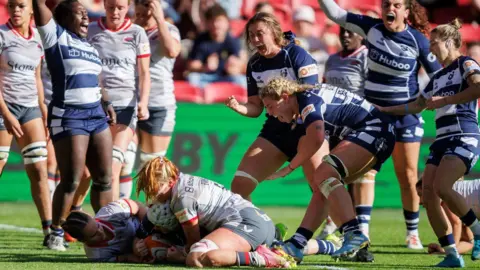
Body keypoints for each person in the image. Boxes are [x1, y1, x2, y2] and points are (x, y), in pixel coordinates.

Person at [318, 0, 443, 249]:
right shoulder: (371, 28)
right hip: (373, 115)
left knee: (407, 176)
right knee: (365, 172)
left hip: (405, 117)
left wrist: (425, 100)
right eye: (387, 3)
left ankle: (412, 233)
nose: (391, 9)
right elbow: (335, 13)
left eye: (397, 4)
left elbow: (438, 75)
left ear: (406, 11)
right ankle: (362, 231)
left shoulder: (418, 40)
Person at [376, 19, 480, 267]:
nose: (430, 49)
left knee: (443, 186)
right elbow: (416, 105)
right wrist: (383, 109)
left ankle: (477, 232)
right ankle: (452, 255)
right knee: (428, 196)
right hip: (442, 140)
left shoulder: (466, 63)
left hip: (463, 135)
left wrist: (444, 101)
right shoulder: (438, 77)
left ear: (447, 42)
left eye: (433, 43)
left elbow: (478, 88)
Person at [259, 77, 395, 262]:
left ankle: (354, 234)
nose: (269, 113)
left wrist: (289, 168)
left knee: (323, 174)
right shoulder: (303, 103)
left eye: (270, 106)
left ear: (285, 97)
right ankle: (297, 244)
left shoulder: (307, 100)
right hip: (375, 131)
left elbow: (317, 137)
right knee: (322, 184)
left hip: (374, 129)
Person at [33, 0, 115, 251]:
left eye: (86, 15)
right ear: (64, 17)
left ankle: (108, 230)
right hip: (69, 116)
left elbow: (95, 80)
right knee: (71, 179)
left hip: (96, 115)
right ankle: (55, 233)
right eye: (79, 14)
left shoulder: (88, 46)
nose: (85, 18)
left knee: (104, 179)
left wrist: (106, 101)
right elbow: (39, 6)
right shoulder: (55, 37)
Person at [225, 12, 329, 212]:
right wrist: (239, 107)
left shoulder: (297, 54)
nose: (255, 40)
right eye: (251, 35)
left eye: (260, 34)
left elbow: (310, 94)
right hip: (277, 128)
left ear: (274, 32)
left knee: (323, 185)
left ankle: (334, 231)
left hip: (306, 123)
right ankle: (260, 230)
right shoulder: (255, 64)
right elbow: (256, 107)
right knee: (239, 186)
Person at [135, 156, 295, 268]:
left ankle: (260, 258)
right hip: (259, 221)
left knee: (196, 257)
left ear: (170, 182)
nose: (153, 197)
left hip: (246, 224)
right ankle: (280, 243)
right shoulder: (182, 181)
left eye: (155, 190)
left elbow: (192, 246)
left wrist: (179, 255)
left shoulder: (182, 199)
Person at [0, 0, 52, 246]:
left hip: (30, 109)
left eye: (21, 6)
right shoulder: (1, 34)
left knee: (40, 171)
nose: (15, 10)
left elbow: (37, 78)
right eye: (11, 6)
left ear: (32, 8)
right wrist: (7, 115)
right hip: (3, 109)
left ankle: (50, 232)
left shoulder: (38, 39)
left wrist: (43, 110)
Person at [88, 0, 151, 200]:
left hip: (126, 105)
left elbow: (144, 72)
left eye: (120, 8)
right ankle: (75, 212)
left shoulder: (137, 33)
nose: (115, 12)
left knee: (113, 168)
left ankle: (111, 223)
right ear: (104, 5)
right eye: (111, 7)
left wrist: (143, 102)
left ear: (128, 7)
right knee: (86, 173)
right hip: (95, 105)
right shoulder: (91, 30)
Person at [318, 26, 373, 240]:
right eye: (342, 31)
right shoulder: (332, 59)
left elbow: (373, 90)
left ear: (362, 35)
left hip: (359, 121)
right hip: (333, 123)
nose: (345, 35)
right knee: (332, 172)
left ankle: (364, 229)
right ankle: (333, 221)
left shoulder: (367, 57)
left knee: (365, 174)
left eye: (351, 31)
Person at [134, 0, 181, 170]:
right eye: (138, 14)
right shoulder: (131, 31)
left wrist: (160, 21)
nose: (142, 18)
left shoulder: (169, 29)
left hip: (158, 103)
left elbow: (172, 51)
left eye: (147, 13)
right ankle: (122, 198)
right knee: (123, 160)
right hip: (131, 102)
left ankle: (152, 198)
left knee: (150, 164)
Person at [62, 199, 149, 262]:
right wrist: (138, 256)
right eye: (94, 235)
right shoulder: (96, 255)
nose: (101, 232)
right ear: (83, 241)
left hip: (152, 226)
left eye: (98, 226)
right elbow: (127, 257)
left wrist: (141, 235)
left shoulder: (111, 211)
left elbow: (139, 207)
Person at [186, 4, 247, 89]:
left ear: (227, 22)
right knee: (192, 78)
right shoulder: (201, 40)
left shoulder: (233, 40)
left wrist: (234, 67)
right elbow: (191, 64)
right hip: (207, 78)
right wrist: (205, 67)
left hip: (226, 77)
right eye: (212, 21)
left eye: (219, 20)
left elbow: (242, 65)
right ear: (207, 23)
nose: (216, 24)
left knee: (242, 81)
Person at [416, 178, 475, 256]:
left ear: (430, 191)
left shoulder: (445, 198)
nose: (419, 202)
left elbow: (456, 223)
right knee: (469, 239)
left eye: (421, 195)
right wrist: (443, 251)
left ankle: (451, 253)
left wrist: (450, 249)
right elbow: (469, 242)